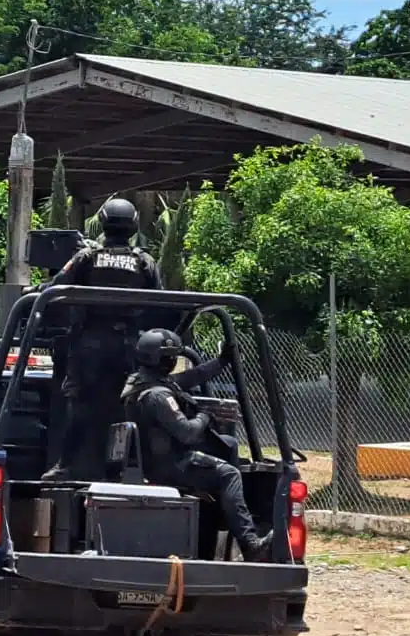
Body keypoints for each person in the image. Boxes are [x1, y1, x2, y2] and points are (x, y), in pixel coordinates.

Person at [122, 327, 273, 563]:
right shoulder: (158, 396)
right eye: (170, 356)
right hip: (173, 465)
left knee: (229, 444)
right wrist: (205, 416)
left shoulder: (142, 383)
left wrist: (222, 362)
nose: (173, 361)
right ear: (161, 359)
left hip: (162, 462)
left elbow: (192, 377)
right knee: (230, 474)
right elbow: (188, 433)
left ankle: (228, 510)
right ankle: (250, 544)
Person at [44, 198, 162, 481]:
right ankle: (137, 469)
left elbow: (57, 286)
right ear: (133, 226)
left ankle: (66, 465)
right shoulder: (144, 261)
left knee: (79, 405)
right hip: (129, 347)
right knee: (132, 405)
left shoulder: (87, 257)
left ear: (103, 222)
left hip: (89, 345)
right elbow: (161, 300)